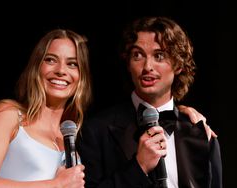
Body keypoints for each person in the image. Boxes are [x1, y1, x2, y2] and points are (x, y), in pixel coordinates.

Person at [76, 16, 222, 188]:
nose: (147, 67)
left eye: (159, 56)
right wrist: (139, 167)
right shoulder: (96, 130)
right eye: (137, 55)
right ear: (128, 63)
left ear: (179, 64)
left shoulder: (201, 133)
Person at [0, 29, 92, 188]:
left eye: (72, 64)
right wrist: (56, 184)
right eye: (50, 60)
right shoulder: (9, 116)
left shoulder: (69, 139)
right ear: (36, 66)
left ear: (82, 76)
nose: (61, 70)